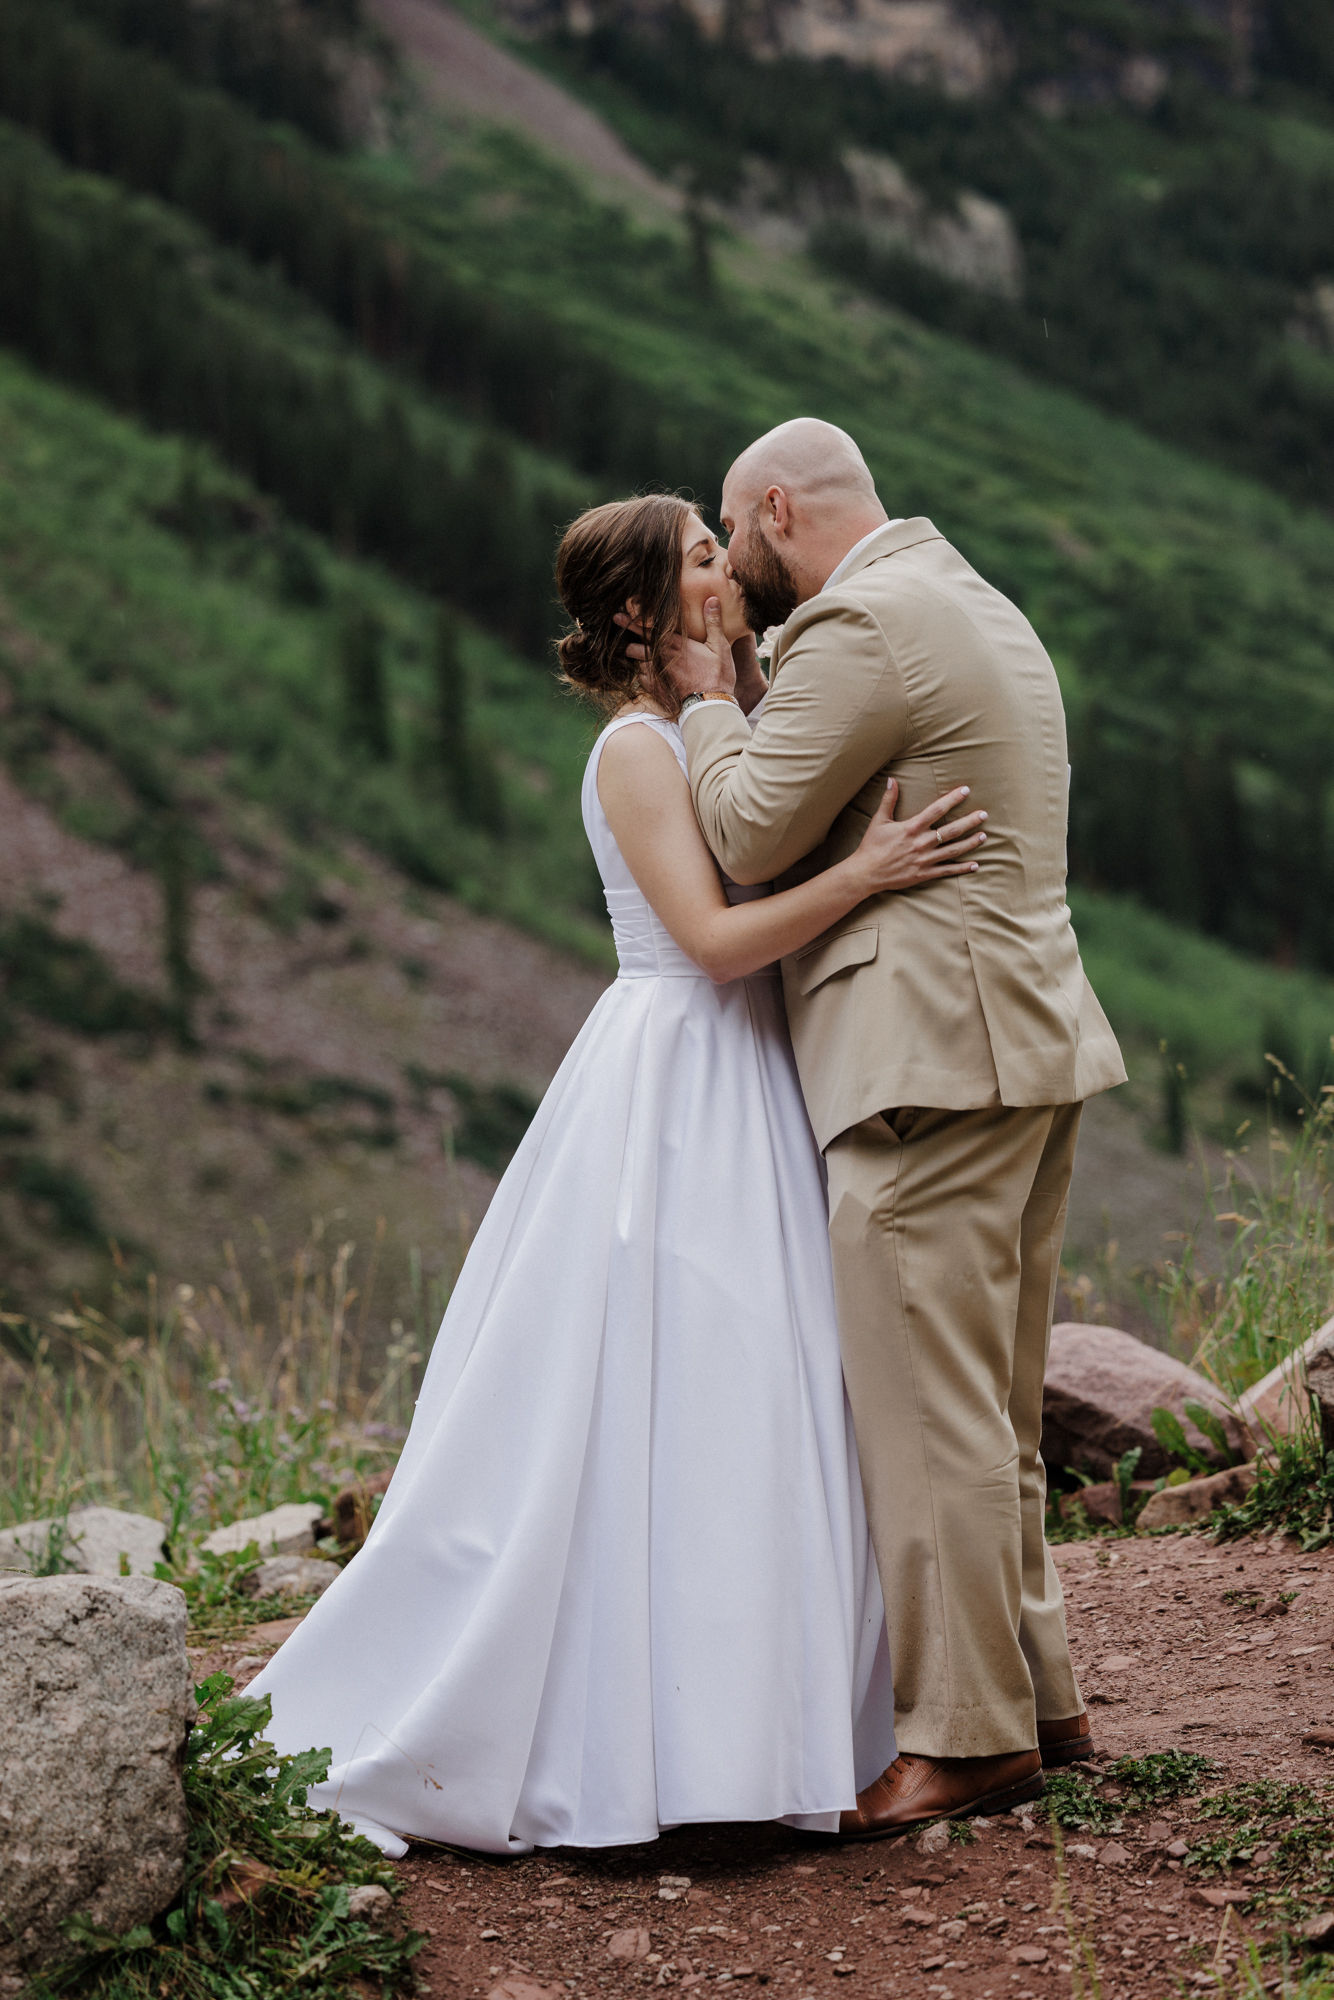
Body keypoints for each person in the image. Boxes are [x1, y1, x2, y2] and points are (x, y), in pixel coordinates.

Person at [244, 492, 993, 1858]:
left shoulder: (725, 721)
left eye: (724, 548)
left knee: (770, 1396)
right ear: (640, 610)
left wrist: (760, 694)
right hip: (680, 1077)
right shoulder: (636, 755)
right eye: (701, 558)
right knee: (682, 1389)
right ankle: (649, 1753)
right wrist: (872, 874)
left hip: (755, 1079)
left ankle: (776, 1737)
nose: (726, 569)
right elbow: (710, 941)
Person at [651, 418, 1127, 1838]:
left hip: (923, 1057)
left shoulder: (860, 626)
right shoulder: (970, 598)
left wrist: (706, 692)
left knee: (927, 1409)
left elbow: (739, 832)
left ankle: (964, 1736)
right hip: (1018, 1040)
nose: (729, 568)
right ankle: (1037, 1697)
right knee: (988, 1403)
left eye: (732, 537)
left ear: (776, 509)